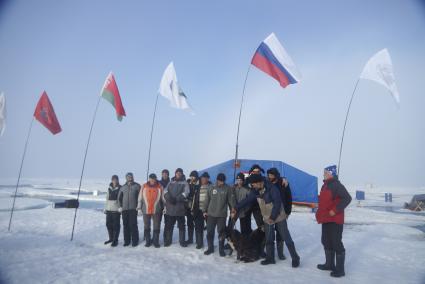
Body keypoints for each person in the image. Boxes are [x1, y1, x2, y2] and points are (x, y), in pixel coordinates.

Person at [232, 173, 300, 267]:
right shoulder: (256, 190)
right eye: (252, 185)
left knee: (286, 237)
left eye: (254, 184)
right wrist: (236, 207)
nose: (253, 186)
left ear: (259, 182)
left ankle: (295, 258)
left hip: (279, 216)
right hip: (267, 217)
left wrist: (273, 217)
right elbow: (247, 200)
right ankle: (270, 258)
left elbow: (277, 203)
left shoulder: (272, 188)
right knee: (269, 238)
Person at [316, 165, 352, 278]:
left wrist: (335, 210)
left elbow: (347, 198)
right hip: (326, 218)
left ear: (331, 173)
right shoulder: (325, 186)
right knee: (326, 241)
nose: (324, 174)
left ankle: (340, 270)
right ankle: (329, 264)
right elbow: (325, 201)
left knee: (336, 242)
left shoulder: (337, 185)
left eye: (326, 172)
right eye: (324, 172)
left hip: (335, 219)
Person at [203, 173, 235, 257]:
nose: (221, 183)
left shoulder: (227, 188)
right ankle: (210, 248)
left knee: (221, 233)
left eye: (223, 181)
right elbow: (207, 200)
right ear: (217, 180)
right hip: (211, 214)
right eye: (220, 181)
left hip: (222, 215)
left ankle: (221, 250)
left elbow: (231, 201)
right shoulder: (211, 187)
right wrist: (204, 210)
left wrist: (233, 210)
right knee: (210, 232)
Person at [266, 168, 293, 261]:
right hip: (270, 212)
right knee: (270, 233)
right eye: (268, 175)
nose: (270, 177)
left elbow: (289, 198)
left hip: (281, 213)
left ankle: (280, 253)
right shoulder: (267, 184)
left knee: (281, 233)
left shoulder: (283, 183)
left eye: (271, 175)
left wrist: (288, 211)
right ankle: (270, 254)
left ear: (276, 175)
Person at [163, 168, 190, 247]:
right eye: (177, 173)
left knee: (181, 226)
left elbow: (186, 192)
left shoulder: (185, 183)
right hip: (170, 208)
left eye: (180, 173)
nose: (178, 174)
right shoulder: (170, 182)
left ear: (182, 174)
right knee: (169, 225)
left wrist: (177, 199)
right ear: (175, 174)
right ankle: (168, 241)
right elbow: (165, 191)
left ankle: (182, 241)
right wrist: (169, 198)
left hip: (180, 209)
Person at [137, 173, 163, 248]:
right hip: (146, 209)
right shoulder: (144, 186)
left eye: (154, 178)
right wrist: (139, 208)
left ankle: (156, 241)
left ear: (156, 179)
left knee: (156, 226)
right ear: (149, 179)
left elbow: (163, 198)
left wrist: (165, 207)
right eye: (151, 178)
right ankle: (148, 241)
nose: (152, 180)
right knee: (146, 226)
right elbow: (140, 198)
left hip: (156, 209)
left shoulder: (160, 186)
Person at [118, 172, 141, 247]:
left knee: (133, 225)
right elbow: (119, 198)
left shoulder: (137, 186)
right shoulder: (123, 187)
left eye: (130, 177)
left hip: (133, 209)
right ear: (126, 178)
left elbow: (140, 198)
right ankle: (127, 241)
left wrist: (139, 207)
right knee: (126, 225)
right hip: (124, 209)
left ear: (133, 177)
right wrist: (120, 206)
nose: (129, 178)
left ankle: (135, 241)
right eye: (128, 177)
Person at [190, 171, 211, 249]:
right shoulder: (197, 187)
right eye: (202, 178)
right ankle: (199, 243)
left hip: (208, 211)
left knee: (209, 228)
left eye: (205, 178)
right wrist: (192, 209)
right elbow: (194, 199)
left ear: (208, 179)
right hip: (198, 210)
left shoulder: (211, 187)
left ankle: (210, 244)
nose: (203, 180)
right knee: (198, 227)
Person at [104, 175, 121, 247]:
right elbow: (107, 199)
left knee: (116, 226)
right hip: (109, 209)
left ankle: (115, 240)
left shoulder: (120, 188)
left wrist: (120, 207)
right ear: (112, 180)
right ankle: (111, 238)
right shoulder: (109, 188)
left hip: (116, 210)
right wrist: (105, 208)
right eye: (113, 179)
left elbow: (121, 198)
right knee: (108, 224)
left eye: (116, 179)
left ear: (117, 180)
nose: (114, 181)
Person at [185, 170, 199, 245]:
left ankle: (198, 240)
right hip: (189, 207)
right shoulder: (187, 184)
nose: (192, 177)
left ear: (196, 177)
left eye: (193, 176)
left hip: (197, 207)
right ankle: (190, 239)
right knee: (189, 224)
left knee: (197, 225)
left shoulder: (199, 184)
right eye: (191, 176)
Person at [159, 169, 170, 243]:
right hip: (159, 205)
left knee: (167, 223)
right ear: (162, 175)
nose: (164, 175)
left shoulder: (171, 182)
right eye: (163, 174)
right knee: (157, 222)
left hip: (168, 205)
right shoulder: (158, 183)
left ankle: (166, 239)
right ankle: (155, 238)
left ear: (168, 175)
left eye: (166, 174)